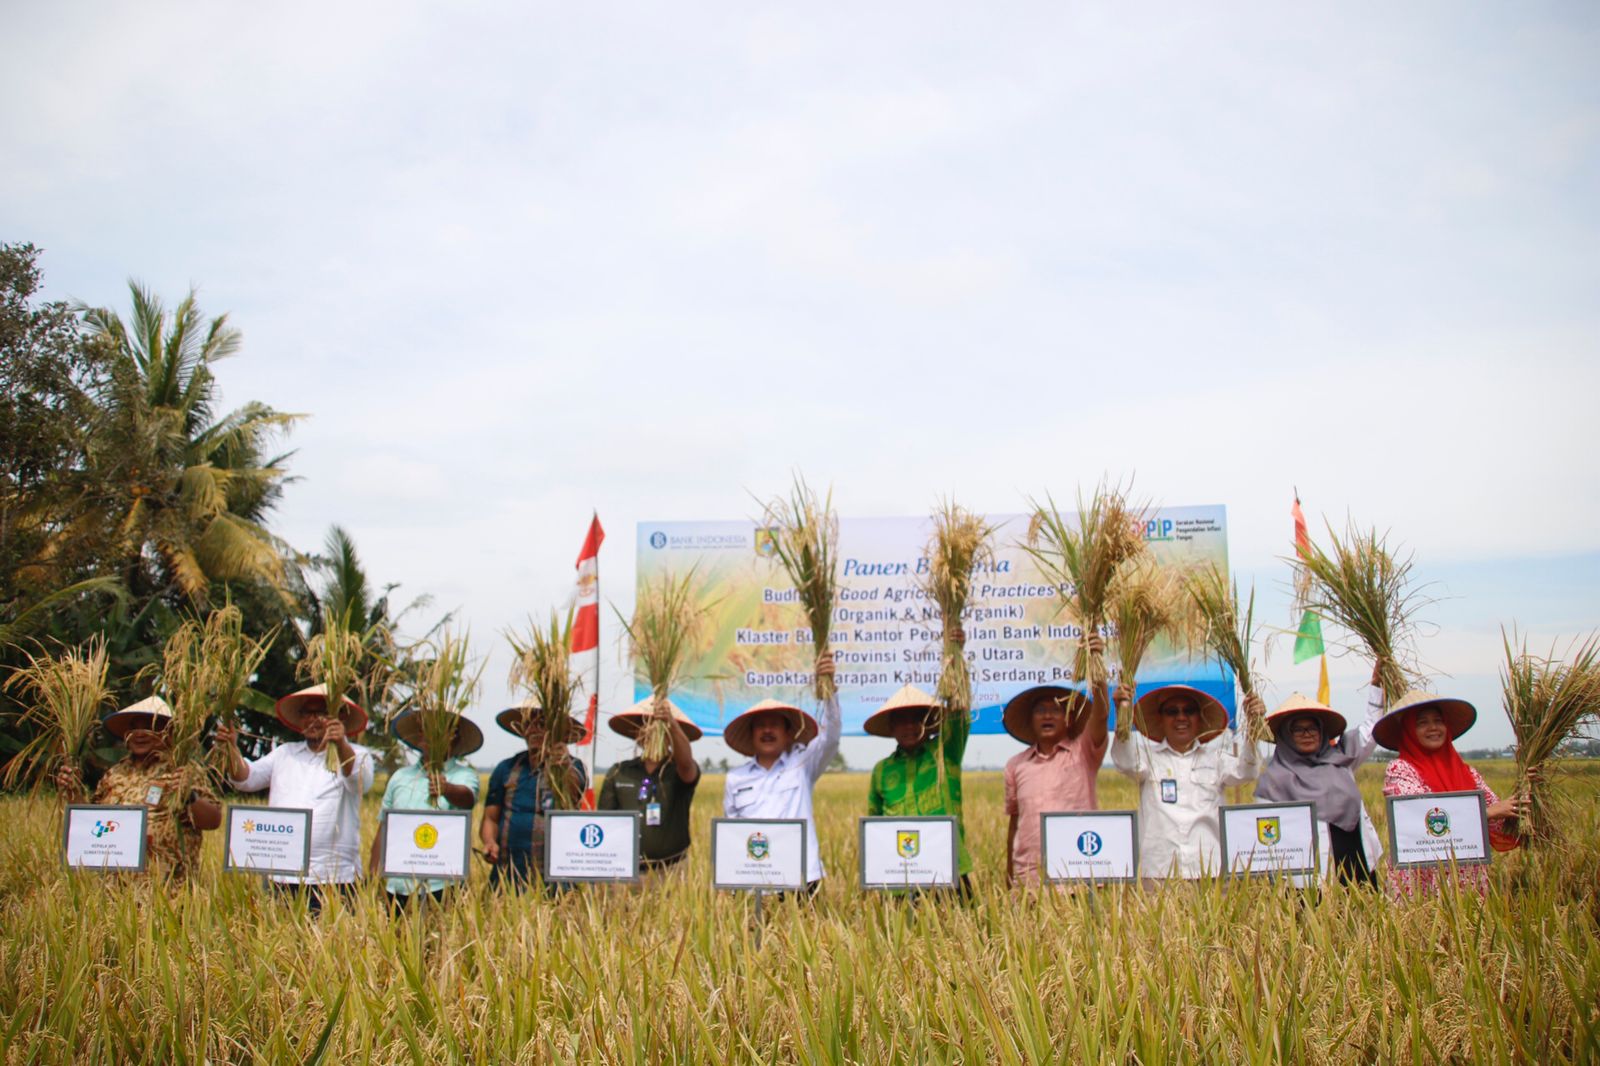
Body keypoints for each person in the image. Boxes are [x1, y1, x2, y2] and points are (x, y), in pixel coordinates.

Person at [214, 684, 375, 913]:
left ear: (338, 719)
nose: (313, 719)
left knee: (332, 945)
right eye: (306, 713)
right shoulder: (285, 753)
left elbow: (360, 782)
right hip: (282, 874)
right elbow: (246, 779)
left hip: (333, 877)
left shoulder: (357, 754)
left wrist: (340, 744)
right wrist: (230, 747)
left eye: (321, 713)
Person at [55, 695, 222, 883]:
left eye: (148, 726)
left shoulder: (183, 771)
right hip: (115, 892)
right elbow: (93, 825)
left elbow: (213, 820)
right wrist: (73, 792)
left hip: (168, 892)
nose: (140, 733)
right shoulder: (114, 774)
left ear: (166, 731)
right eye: (134, 727)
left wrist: (189, 796)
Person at [1377, 690, 1523, 898]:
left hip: (1466, 878)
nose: (1433, 728)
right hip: (1421, 879)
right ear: (1409, 730)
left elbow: (1500, 821)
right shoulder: (1400, 770)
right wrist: (1488, 813)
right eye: (1422, 723)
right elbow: (1418, 816)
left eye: (1438, 720)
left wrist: (1526, 790)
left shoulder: (1468, 773)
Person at [1111, 683, 1263, 881]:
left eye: (1189, 711)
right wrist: (1122, 712)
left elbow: (1248, 771)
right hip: (1159, 872)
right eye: (1172, 712)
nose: (1181, 717)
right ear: (1161, 718)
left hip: (1211, 872)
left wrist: (1254, 726)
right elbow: (1126, 762)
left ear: (1199, 718)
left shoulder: (1217, 759)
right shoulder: (1147, 758)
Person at [722, 652, 841, 895]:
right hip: (753, 883)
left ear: (788, 733)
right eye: (761, 725)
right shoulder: (736, 778)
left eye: (775, 724)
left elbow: (831, 737)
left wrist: (829, 689)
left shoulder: (803, 765)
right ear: (751, 733)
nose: (767, 730)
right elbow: (731, 834)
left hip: (801, 879)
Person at [1254, 683, 1385, 888]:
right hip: (1307, 883)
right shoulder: (1274, 781)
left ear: (1322, 731)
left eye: (1313, 727)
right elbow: (1268, 837)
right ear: (1285, 736)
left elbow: (1371, 729)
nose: (1308, 734)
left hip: (1359, 866)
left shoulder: (1342, 758)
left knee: (1366, 918)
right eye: (1298, 729)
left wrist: (1377, 686)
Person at [1003, 644, 1111, 886]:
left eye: (1056, 710)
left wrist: (1096, 665)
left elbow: (1101, 714)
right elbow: (1014, 824)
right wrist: (1009, 877)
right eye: (1040, 710)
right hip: (1029, 878)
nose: (1047, 716)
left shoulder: (1084, 753)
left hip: (1078, 872)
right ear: (1031, 721)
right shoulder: (1016, 766)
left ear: (1069, 719)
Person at [864, 676, 973, 893]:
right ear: (891, 727)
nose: (910, 727)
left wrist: (955, 655)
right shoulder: (882, 770)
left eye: (917, 720)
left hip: (948, 867)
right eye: (901, 721)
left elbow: (960, 713)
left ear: (929, 723)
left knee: (958, 925)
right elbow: (875, 825)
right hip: (900, 874)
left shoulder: (946, 751)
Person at [369, 708, 482, 911]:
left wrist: (446, 789)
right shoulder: (400, 777)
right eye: (424, 730)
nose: (428, 736)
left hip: (443, 885)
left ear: (453, 737)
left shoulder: (463, 776)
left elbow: (467, 798)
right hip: (399, 884)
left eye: (437, 730)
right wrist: (373, 874)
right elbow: (385, 827)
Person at [480, 699, 588, 892]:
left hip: (556, 875)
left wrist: (562, 763)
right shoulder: (507, 768)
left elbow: (574, 793)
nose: (533, 731)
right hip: (509, 872)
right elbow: (490, 817)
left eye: (541, 725)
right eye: (528, 725)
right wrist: (489, 842)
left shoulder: (574, 766)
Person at [598, 696, 701, 871]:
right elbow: (605, 822)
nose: (651, 730)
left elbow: (686, 763)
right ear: (637, 732)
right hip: (627, 870)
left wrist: (671, 722)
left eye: (658, 725)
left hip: (673, 870)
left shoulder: (679, 770)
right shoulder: (619, 772)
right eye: (645, 724)